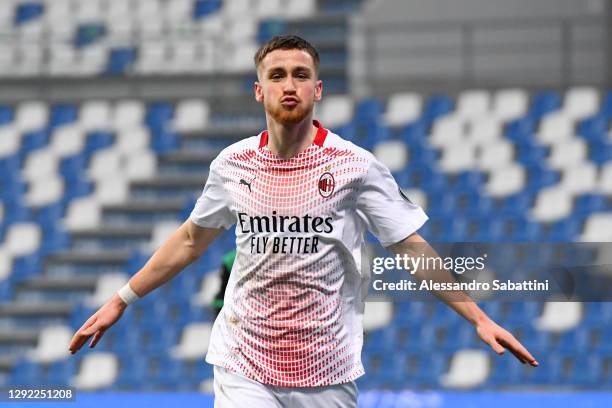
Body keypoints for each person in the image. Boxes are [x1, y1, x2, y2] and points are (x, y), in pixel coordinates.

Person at [69, 35, 537, 407]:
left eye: (300, 75)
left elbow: (410, 246)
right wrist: (121, 300)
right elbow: (191, 241)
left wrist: (478, 317)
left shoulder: (355, 165)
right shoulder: (231, 166)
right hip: (243, 361)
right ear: (260, 90)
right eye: (276, 75)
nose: (288, 85)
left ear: (318, 88)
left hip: (326, 368)